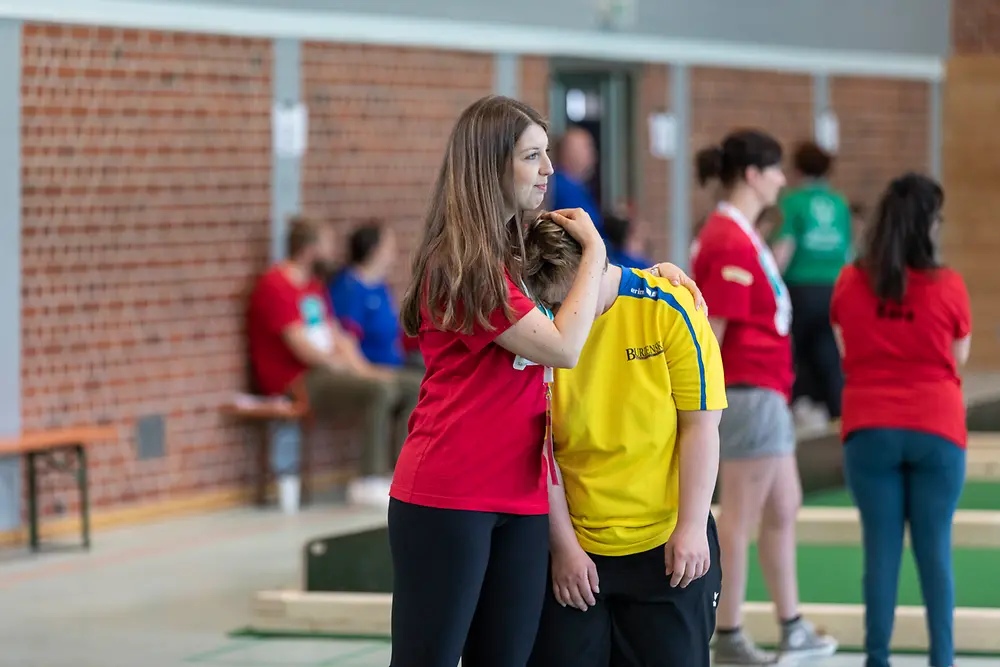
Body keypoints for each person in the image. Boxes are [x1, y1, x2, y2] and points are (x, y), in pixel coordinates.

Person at [388, 95, 702, 667]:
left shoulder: (515, 252)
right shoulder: (459, 265)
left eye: (548, 154)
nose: (549, 170)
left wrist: (642, 278)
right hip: (452, 492)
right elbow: (563, 344)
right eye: (533, 156)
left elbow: (571, 291)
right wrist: (599, 252)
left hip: (524, 495)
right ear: (490, 166)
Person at [521, 217, 726, 667]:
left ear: (596, 269)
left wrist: (691, 525)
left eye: (571, 301)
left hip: (665, 543)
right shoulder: (539, 328)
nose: (563, 319)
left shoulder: (669, 308)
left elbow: (700, 425)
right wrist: (565, 548)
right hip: (578, 547)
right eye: (552, 306)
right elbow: (541, 449)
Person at [691, 130, 838, 665]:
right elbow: (712, 330)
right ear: (753, 174)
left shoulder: (741, 235)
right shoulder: (728, 239)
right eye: (775, 168)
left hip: (766, 390)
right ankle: (726, 633)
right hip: (748, 392)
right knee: (741, 515)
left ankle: (790, 625)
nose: (782, 178)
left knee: (783, 505)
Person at [830, 173, 970, 667]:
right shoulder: (949, 285)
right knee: (935, 552)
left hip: (869, 428)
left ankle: (878, 658)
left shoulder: (849, 282)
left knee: (880, 552)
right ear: (928, 224)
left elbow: (846, 352)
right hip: (937, 428)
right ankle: (943, 659)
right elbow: (960, 358)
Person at [246, 216, 420, 503]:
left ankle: (404, 473)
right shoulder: (275, 286)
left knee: (413, 387)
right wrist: (343, 367)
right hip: (297, 379)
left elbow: (335, 333)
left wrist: (358, 367)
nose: (333, 251)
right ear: (310, 248)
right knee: (380, 390)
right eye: (326, 244)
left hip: (327, 371)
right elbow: (300, 344)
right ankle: (370, 479)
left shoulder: (313, 287)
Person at [772, 141, 852, 426]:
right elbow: (847, 251)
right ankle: (839, 419)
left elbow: (784, 247)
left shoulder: (792, 202)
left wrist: (769, 279)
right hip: (833, 288)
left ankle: (789, 412)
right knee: (830, 356)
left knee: (791, 353)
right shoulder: (839, 203)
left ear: (796, 169)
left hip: (800, 288)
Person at [328, 220, 418, 369]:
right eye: (389, 248)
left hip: (396, 363)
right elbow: (346, 341)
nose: (394, 254)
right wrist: (370, 375)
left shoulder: (380, 286)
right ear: (374, 250)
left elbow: (395, 333)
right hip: (374, 370)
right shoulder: (349, 289)